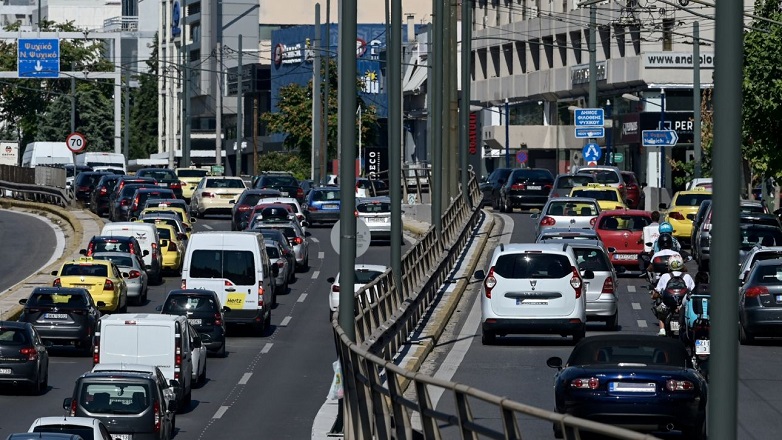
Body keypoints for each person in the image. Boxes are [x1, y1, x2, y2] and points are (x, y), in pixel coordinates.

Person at [652, 254, 695, 336]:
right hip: (683, 304)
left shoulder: (665, 276)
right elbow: (692, 291)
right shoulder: (687, 276)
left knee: (660, 311)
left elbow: (657, 291)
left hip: (668, 304)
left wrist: (654, 296)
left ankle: (662, 329)